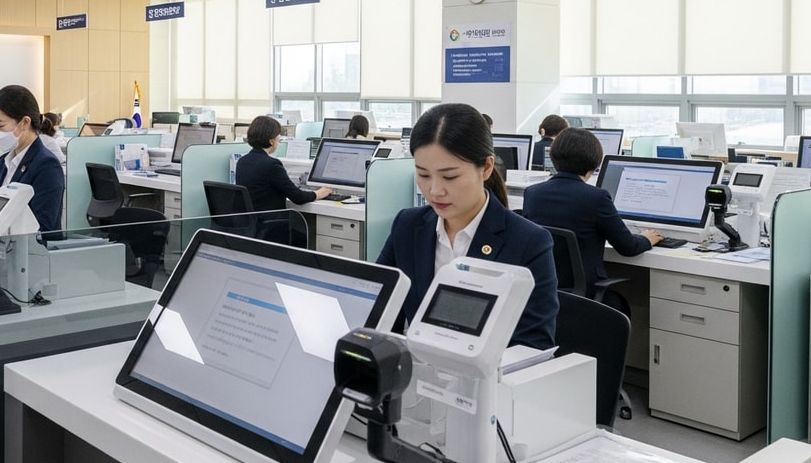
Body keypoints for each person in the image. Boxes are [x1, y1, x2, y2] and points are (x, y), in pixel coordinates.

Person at [376, 103, 558, 349]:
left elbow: (533, 347)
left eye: (450, 176)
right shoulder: (407, 226)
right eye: (424, 175)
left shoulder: (528, 242)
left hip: (488, 382)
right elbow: (381, 315)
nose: (435, 190)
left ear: (486, 167)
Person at [522, 128, 661, 316]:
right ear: (595, 162)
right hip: (586, 294)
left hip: (544, 292)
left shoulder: (533, 193)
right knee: (621, 305)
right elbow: (627, 247)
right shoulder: (596, 197)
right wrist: (646, 238)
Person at [0, 85, 65, 233]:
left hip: (31, 251)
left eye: (0, 125)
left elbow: (44, 227)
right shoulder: (3, 162)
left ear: (25, 123)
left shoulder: (46, 165)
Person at [236, 116, 333, 211]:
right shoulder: (272, 165)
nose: (279, 140)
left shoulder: (242, 161)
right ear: (271, 141)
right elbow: (298, 197)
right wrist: (319, 193)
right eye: (278, 136)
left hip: (249, 221)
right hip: (269, 222)